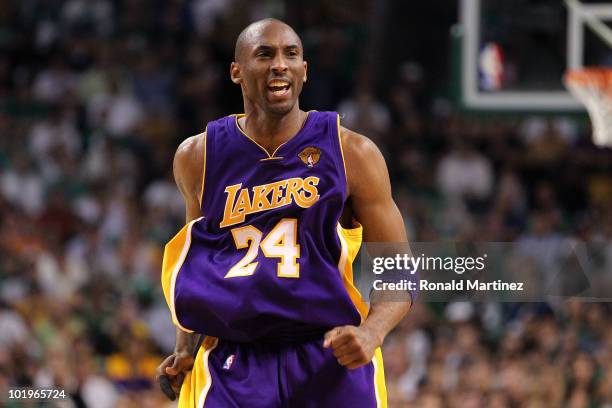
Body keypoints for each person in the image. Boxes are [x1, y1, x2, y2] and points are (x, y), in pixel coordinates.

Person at [155, 18, 411, 407]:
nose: (279, 64)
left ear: (304, 71)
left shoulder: (352, 152)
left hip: (328, 353)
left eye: (291, 54)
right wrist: (185, 345)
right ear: (236, 72)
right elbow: (202, 266)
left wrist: (372, 333)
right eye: (265, 54)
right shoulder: (197, 156)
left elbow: (399, 269)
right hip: (234, 361)